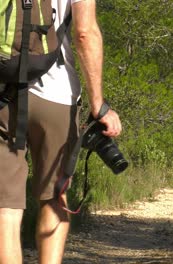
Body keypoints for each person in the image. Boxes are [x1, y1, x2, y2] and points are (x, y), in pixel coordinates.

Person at [0, 0, 122, 263]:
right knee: (54, 198)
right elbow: (84, 32)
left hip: (3, 94)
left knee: (5, 207)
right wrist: (98, 104)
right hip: (56, 97)